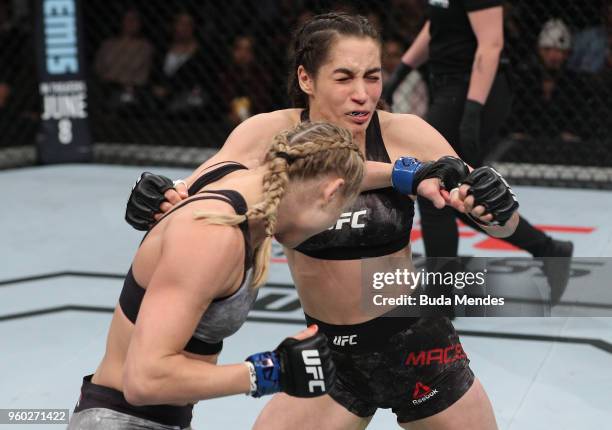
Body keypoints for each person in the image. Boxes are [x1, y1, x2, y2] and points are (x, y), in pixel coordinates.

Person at [124, 13, 519, 429]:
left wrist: (498, 209)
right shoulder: (270, 134)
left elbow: (488, 215)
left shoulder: (407, 133)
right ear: (307, 79)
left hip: (419, 346)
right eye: (344, 77)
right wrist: (155, 196)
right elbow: (197, 189)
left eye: (372, 76)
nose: (363, 94)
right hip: (330, 355)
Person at [67, 121, 367, 429]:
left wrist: (405, 177)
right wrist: (270, 372)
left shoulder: (248, 199)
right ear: (332, 192)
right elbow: (144, 379)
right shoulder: (216, 236)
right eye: (338, 213)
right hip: (124, 420)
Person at [383, 1, 573, 304]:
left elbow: (491, 43)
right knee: (461, 197)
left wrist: (472, 110)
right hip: (448, 89)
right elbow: (439, 25)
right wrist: (400, 72)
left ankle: (441, 299)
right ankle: (549, 249)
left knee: (436, 187)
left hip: (471, 90)